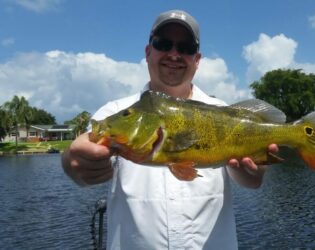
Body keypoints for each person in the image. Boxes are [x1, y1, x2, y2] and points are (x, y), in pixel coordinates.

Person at [62, 9, 278, 249]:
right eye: (163, 44)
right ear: (148, 52)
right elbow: (78, 160)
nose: (174, 54)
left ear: (197, 60)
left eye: (185, 48)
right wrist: (72, 160)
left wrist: (252, 173)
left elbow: (247, 178)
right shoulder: (118, 111)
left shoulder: (221, 110)